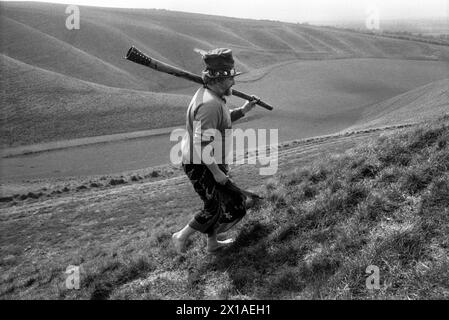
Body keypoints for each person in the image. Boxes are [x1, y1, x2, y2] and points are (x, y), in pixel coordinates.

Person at [172, 48, 260, 254]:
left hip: (208, 159)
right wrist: (216, 172)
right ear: (220, 80)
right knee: (215, 207)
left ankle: (212, 244)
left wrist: (243, 110)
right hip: (201, 162)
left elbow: (222, 120)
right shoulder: (210, 104)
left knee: (221, 203)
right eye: (231, 79)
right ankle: (180, 236)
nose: (234, 83)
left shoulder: (212, 97)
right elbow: (201, 144)